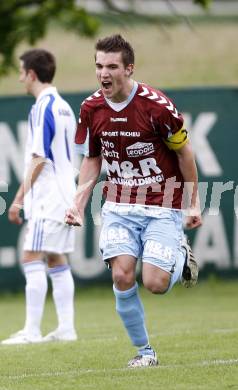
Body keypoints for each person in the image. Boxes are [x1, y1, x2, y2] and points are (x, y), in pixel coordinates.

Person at [65, 34, 202, 367]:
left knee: (154, 283)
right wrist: (78, 203)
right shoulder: (90, 108)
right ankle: (145, 352)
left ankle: (178, 254)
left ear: (129, 68)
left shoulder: (156, 106)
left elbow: (184, 152)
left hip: (161, 203)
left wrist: (193, 202)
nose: (103, 73)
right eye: (98, 66)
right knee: (122, 275)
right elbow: (92, 159)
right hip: (119, 205)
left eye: (111, 66)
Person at [1, 49, 77, 345]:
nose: (20, 78)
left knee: (30, 256)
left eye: (22, 72)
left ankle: (31, 331)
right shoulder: (64, 107)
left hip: (48, 196)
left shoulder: (42, 107)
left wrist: (19, 198)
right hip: (65, 192)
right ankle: (66, 328)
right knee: (56, 258)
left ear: (31, 74)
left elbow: (39, 159)